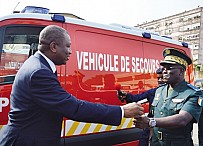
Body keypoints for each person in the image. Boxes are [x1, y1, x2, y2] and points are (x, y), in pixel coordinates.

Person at [0, 25, 144, 146]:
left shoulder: (38, 64)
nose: (70, 51)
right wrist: (122, 111)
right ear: (54, 46)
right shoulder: (39, 72)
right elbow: (73, 108)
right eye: (68, 46)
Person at [133, 48, 203, 146]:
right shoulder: (159, 91)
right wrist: (150, 140)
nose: (164, 71)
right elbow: (155, 115)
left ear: (181, 71)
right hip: (156, 142)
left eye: (169, 68)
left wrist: (150, 122)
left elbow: (182, 119)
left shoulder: (192, 93)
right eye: (163, 68)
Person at [118, 68, 164, 146]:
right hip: (150, 129)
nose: (160, 80)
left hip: (164, 129)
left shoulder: (176, 93)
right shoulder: (154, 92)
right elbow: (137, 99)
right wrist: (126, 96)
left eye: (162, 78)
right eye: (158, 78)